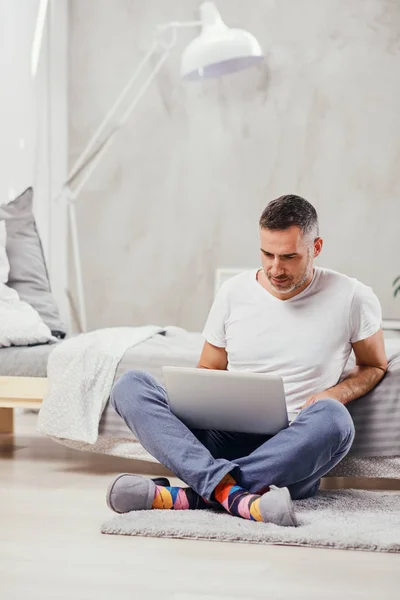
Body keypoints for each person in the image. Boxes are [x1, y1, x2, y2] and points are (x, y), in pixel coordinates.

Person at [106, 194, 387, 527]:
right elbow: (209, 368)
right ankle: (238, 496)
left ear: (317, 247)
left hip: (289, 449)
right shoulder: (233, 292)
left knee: (335, 421)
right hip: (221, 437)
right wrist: (201, 398)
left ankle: (194, 493)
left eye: (289, 256)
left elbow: (375, 365)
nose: (275, 268)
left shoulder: (352, 296)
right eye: (267, 254)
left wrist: (333, 395)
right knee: (130, 385)